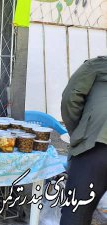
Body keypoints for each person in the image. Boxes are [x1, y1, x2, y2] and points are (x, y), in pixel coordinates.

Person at [60, 56, 107, 225]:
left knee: (75, 214)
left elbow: (70, 98)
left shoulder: (98, 65)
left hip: (96, 146)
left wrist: (80, 132)